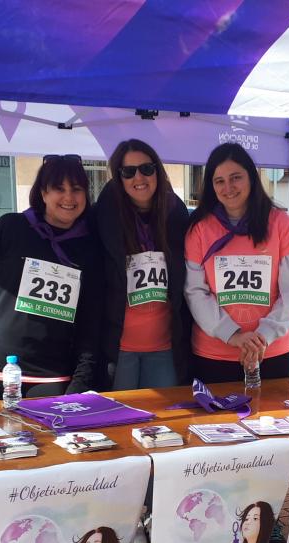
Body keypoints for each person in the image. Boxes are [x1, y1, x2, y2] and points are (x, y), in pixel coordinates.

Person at [0, 154, 102, 401]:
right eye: (59, 189)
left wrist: (81, 381)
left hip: (55, 378)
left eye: (77, 189)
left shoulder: (90, 246)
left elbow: (91, 320)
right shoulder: (10, 228)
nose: (69, 197)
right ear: (43, 193)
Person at [184, 142, 289, 386]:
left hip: (272, 352)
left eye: (235, 177)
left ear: (251, 177)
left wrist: (262, 337)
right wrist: (234, 336)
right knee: (216, 425)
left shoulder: (281, 224)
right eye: (219, 181)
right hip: (214, 354)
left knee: (274, 423)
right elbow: (195, 292)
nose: (228, 187)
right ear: (211, 186)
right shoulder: (199, 229)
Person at [94, 139, 192, 391]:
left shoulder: (177, 215)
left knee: (163, 426)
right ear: (119, 177)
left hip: (165, 347)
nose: (139, 177)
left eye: (146, 169)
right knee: (119, 425)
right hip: (119, 349)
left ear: (157, 171)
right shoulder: (102, 218)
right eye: (128, 171)